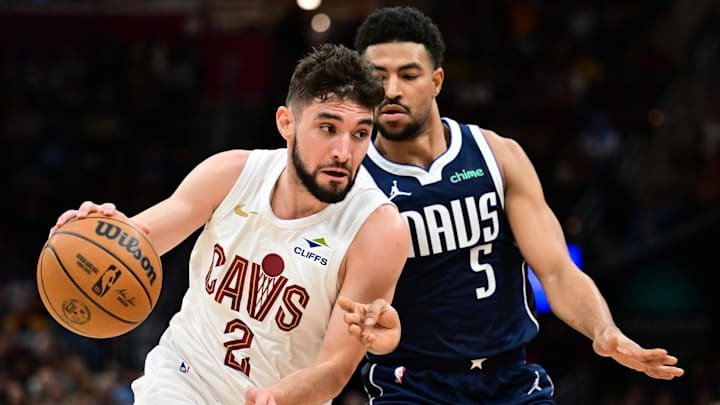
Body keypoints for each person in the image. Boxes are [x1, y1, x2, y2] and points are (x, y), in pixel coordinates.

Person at [353, 6, 685, 404]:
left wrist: (604, 331)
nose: (391, 90)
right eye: (377, 77)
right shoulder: (353, 180)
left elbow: (558, 272)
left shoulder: (497, 156)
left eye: (408, 75)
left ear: (437, 80)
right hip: (410, 385)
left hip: (508, 380)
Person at [49, 43, 410, 405]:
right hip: (184, 378)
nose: (343, 153)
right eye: (328, 128)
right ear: (287, 123)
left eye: (360, 134)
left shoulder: (377, 230)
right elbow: (137, 244)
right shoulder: (232, 174)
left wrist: (275, 395)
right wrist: (93, 233)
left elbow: (335, 367)